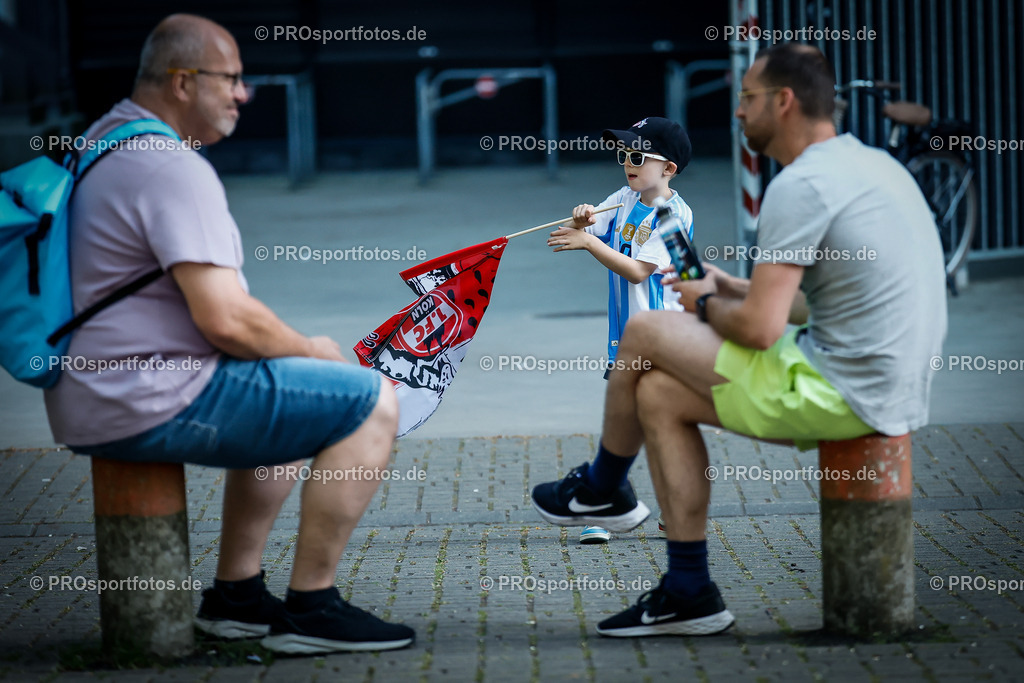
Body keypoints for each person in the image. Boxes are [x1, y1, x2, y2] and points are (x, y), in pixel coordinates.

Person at [532, 43, 947, 636]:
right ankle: (689, 591)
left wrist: (705, 302)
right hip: (883, 376)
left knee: (648, 328)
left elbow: (759, 329)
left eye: (746, 99)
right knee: (657, 395)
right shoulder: (866, 164)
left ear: (783, 102)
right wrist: (730, 285)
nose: (736, 113)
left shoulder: (801, 186)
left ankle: (601, 485)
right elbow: (816, 300)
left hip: (851, 386)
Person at [43, 14, 414, 654]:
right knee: (368, 398)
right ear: (184, 81)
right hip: (144, 396)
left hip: (97, 389)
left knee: (300, 393)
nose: (244, 94)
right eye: (233, 79)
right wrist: (314, 348)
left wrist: (297, 357)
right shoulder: (169, 166)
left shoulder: (106, 139)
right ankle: (312, 609)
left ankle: (237, 599)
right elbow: (226, 318)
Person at [545, 116, 694, 545]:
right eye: (622, 154)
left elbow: (636, 271)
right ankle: (640, 508)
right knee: (639, 429)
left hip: (661, 341)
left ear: (668, 168)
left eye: (636, 155)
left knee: (643, 430)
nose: (626, 162)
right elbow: (588, 227)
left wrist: (590, 242)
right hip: (628, 339)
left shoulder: (672, 215)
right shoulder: (625, 197)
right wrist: (581, 221)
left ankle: (607, 503)